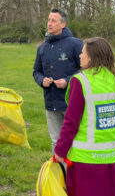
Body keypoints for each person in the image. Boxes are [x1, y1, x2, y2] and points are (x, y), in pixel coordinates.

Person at [54, 37, 115, 196]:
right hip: (114, 158)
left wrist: (60, 151)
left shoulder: (81, 81)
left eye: (82, 53)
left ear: (92, 56)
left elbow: (71, 122)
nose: (80, 56)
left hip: (86, 160)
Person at [33, 9, 83, 153]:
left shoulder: (75, 44)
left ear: (63, 24)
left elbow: (86, 69)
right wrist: (42, 80)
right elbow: (36, 71)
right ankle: (59, 173)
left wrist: (68, 81)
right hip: (51, 103)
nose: (49, 23)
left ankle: (75, 174)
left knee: (74, 140)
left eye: (53, 21)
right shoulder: (42, 47)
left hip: (71, 102)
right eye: (48, 20)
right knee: (56, 140)